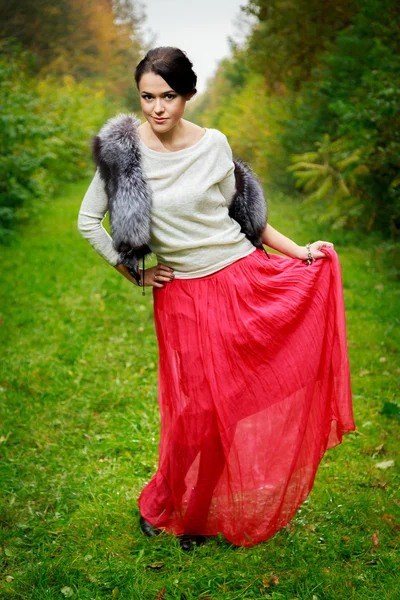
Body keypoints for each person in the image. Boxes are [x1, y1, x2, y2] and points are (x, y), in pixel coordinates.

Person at [77, 46, 355, 551]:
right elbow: (87, 221)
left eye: (169, 96)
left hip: (241, 278)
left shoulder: (213, 145)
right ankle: (166, 500)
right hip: (182, 293)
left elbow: (245, 214)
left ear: (188, 95)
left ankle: (200, 513)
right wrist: (133, 273)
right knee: (199, 409)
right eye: (147, 97)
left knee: (226, 403)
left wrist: (299, 251)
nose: (157, 108)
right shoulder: (123, 154)